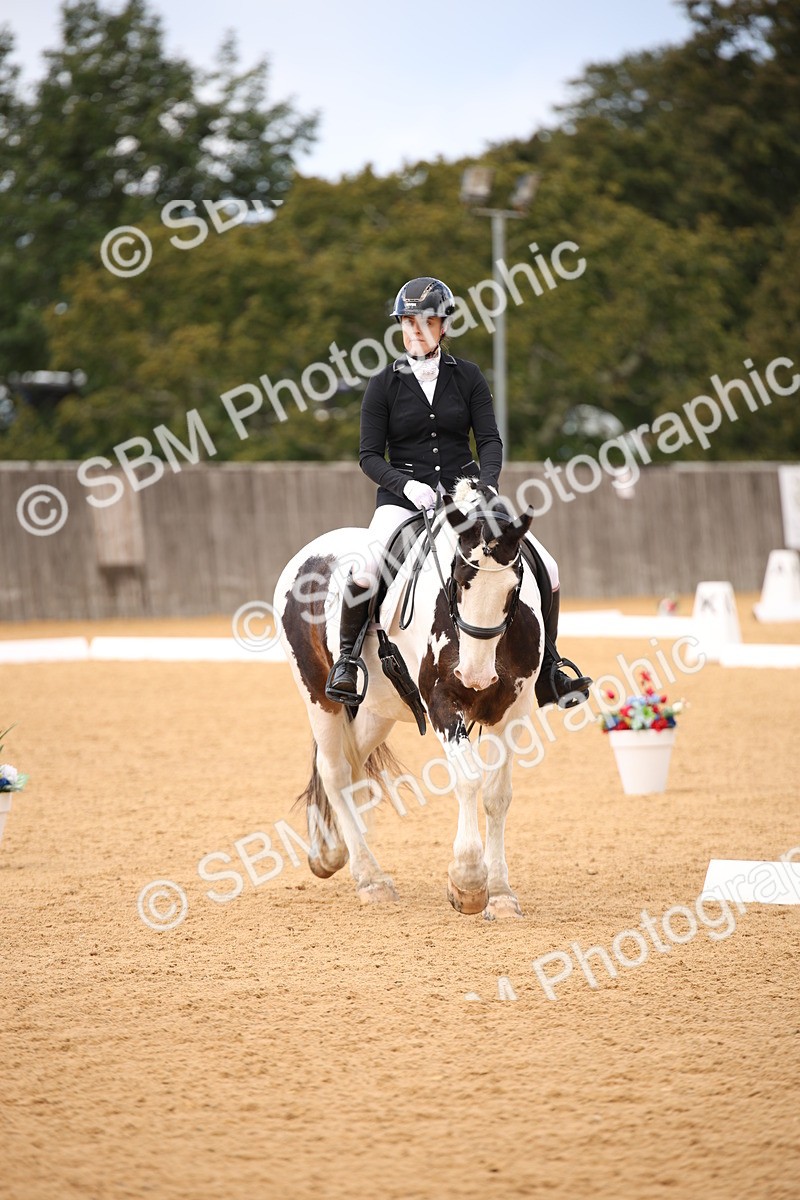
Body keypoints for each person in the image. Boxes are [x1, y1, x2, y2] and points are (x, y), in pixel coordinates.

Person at [325, 275, 592, 709]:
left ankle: (550, 670)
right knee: (366, 568)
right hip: (403, 498)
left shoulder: (467, 376)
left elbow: (489, 441)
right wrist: (407, 485)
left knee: (551, 566)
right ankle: (348, 661)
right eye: (408, 322)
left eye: (425, 322)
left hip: (469, 493)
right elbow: (369, 456)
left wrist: (484, 485)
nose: (415, 330)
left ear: (443, 326)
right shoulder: (382, 384)